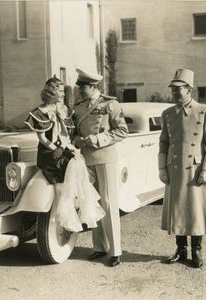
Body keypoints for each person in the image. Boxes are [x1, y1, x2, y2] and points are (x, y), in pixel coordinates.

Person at [158, 68, 206, 268]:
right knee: (177, 209)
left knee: (196, 210)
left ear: (189, 90)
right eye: (173, 88)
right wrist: (162, 167)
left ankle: (196, 250)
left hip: (196, 169)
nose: (174, 92)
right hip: (175, 168)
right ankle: (181, 249)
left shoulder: (205, 111)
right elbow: (163, 143)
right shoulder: (167, 114)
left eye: (178, 89)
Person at [25, 76, 105, 232]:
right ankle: (64, 211)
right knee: (70, 164)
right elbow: (42, 138)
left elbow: (68, 134)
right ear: (52, 92)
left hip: (63, 149)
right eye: (60, 91)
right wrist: (56, 148)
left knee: (77, 161)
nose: (63, 94)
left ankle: (78, 206)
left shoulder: (64, 110)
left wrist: (67, 147)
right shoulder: (39, 112)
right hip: (48, 152)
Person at [73, 68, 129, 267]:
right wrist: (77, 140)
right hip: (86, 160)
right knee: (92, 203)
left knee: (108, 203)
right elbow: (74, 131)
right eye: (79, 87)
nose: (79, 91)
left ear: (93, 86)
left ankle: (115, 252)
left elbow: (122, 131)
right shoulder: (78, 107)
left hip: (105, 158)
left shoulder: (110, 104)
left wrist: (97, 138)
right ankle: (99, 247)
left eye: (83, 88)